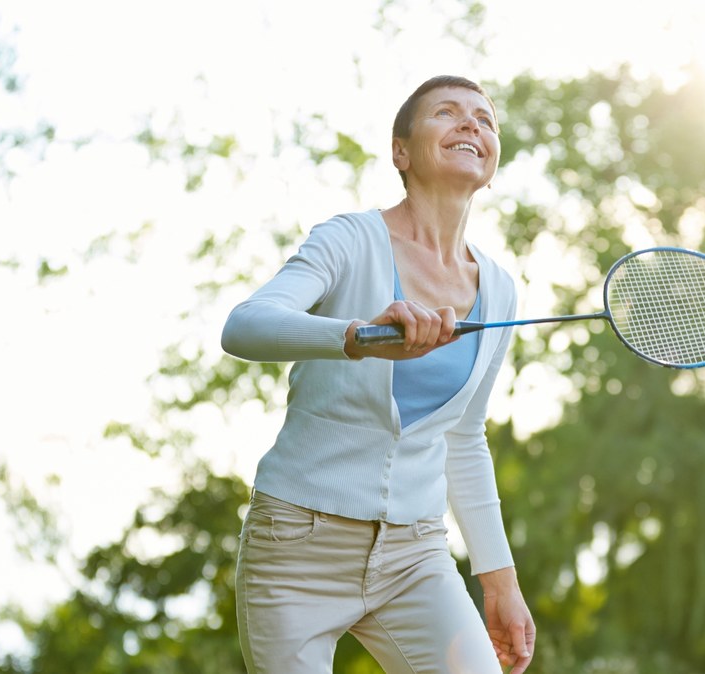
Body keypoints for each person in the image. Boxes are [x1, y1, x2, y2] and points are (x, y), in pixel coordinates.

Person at [221, 75, 534, 674]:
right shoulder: (348, 239)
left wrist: (499, 579)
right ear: (401, 152)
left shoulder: (500, 289)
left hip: (416, 556)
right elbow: (244, 325)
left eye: (485, 120)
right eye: (448, 112)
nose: (472, 124)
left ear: (491, 163)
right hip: (296, 549)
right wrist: (356, 338)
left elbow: (463, 439)